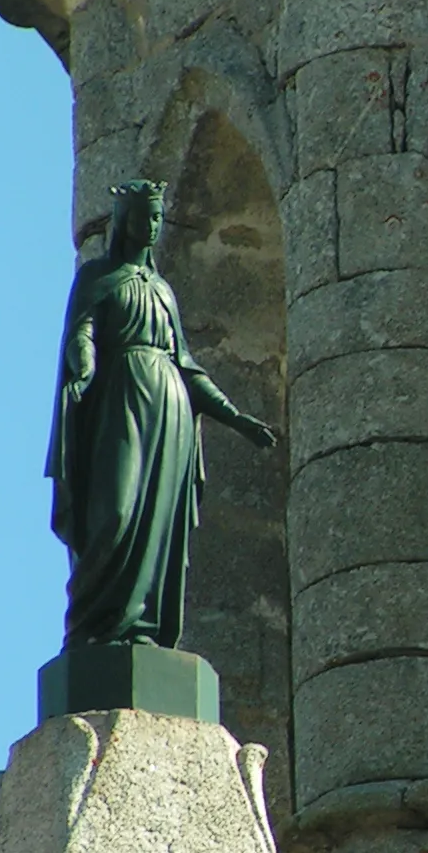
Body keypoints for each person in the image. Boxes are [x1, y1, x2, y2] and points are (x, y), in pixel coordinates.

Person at [46, 180, 277, 649]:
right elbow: (82, 330)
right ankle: (94, 626)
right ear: (125, 220)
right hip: (123, 401)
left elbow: (188, 366)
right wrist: (84, 367)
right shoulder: (97, 277)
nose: (152, 226)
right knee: (114, 512)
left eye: (157, 217)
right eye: (144, 217)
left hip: (168, 411)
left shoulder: (164, 292)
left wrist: (238, 419)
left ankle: (139, 627)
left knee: (157, 520)